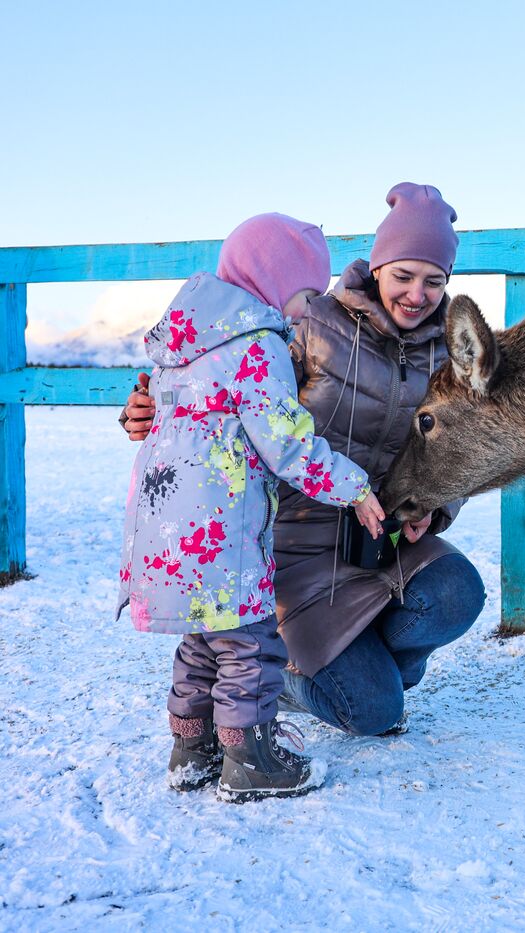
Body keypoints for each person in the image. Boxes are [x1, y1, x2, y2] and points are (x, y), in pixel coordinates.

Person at [122, 183, 485, 738]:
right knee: (373, 713)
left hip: (378, 546)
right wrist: (154, 413)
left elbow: (462, 449)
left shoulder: (448, 355)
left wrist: (433, 509)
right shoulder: (309, 323)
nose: (417, 294)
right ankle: (287, 673)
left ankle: (364, 666)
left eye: (433, 281)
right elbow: (222, 388)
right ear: (377, 267)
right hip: (293, 552)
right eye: (403, 276)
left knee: (457, 591)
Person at [118, 213, 385, 801]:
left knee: (201, 639)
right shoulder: (256, 345)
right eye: (302, 294)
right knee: (249, 642)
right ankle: (249, 757)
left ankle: (191, 750)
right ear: (272, 281)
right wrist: (356, 488)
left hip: (163, 523)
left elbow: (156, 414)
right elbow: (288, 445)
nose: (303, 309)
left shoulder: (182, 338)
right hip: (221, 527)